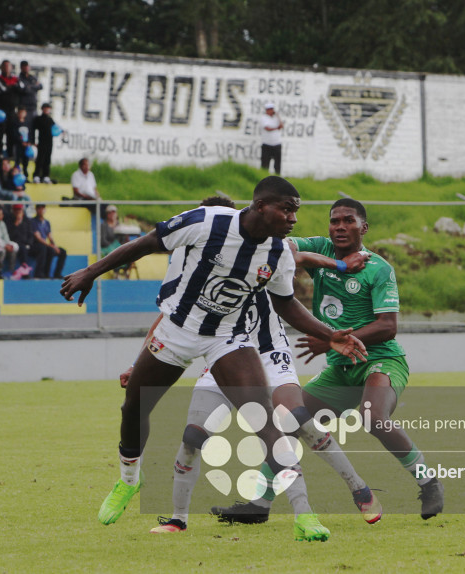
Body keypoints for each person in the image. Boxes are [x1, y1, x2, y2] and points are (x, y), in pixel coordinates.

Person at [59, 176, 368, 542]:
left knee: (266, 423)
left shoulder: (278, 253)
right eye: (286, 209)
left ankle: (305, 515)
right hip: (177, 331)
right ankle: (129, 480)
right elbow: (146, 243)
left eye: (295, 212)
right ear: (260, 207)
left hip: (227, 337)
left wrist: (327, 333)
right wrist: (91, 272)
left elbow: (285, 303)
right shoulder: (208, 222)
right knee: (134, 409)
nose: (293, 219)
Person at [142, 196, 380, 534]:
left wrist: (338, 267)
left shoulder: (262, 246)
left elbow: (295, 255)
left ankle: (353, 489)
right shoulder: (203, 259)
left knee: (295, 420)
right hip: (222, 351)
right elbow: (173, 313)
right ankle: (178, 519)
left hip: (268, 351)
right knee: (193, 436)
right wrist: (143, 353)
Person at [281, 198, 444, 520]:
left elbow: (388, 326)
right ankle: (258, 502)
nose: (340, 227)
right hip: (341, 368)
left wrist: (330, 338)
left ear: (363, 227)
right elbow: (282, 249)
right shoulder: (321, 249)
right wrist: (336, 265)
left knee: (373, 417)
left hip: (379, 360)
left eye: (348, 221)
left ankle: (428, 483)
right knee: (286, 424)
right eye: (334, 221)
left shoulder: (379, 268)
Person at [0, 61, 24, 157]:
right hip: (1, 110)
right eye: (5, 66)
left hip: (12, 111)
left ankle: (10, 155)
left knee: (11, 134)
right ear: (2, 68)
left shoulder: (16, 79)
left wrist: (11, 87)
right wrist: (12, 87)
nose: (6, 68)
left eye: (8, 66)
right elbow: (3, 90)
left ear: (11, 68)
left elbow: (21, 88)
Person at [31, 204, 67, 279]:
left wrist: (55, 246)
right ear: (36, 210)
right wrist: (50, 246)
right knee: (48, 250)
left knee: (62, 251)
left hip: (45, 245)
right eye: (39, 208)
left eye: (42, 208)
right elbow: (38, 237)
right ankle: (43, 273)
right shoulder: (33, 221)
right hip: (37, 244)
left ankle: (57, 273)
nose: (41, 210)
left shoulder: (47, 222)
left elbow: (50, 236)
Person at [6, 203, 34, 279]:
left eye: (19, 210)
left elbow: (31, 234)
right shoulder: (9, 221)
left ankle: (39, 273)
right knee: (21, 248)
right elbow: (9, 236)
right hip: (15, 243)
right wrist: (16, 223)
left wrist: (29, 243)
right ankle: (24, 268)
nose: (18, 212)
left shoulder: (27, 220)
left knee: (42, 249)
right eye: (16, 210)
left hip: (26, 244)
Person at [30, 103, 55, 183]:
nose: (47, 110)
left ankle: (45, 175)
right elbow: (33, 130)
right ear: (42, 109)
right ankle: (36, 175)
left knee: (47, 159)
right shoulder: (38, 119)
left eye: (48, 109)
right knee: (40, 158)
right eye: (45, 108)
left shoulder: (50, 119)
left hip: (49, 142)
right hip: (42, 142)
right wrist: (33, 141)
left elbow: (55, 129)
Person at [260, 102, 283, 175]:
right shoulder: (263, 118)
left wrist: (278, 116)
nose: (271, 111)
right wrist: (276, 128)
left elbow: (281, 126)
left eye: (272, 109)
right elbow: (267, 128)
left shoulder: (276, 118)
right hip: (267, 144)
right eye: (269, 109)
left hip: (276, 144)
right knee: (265, 164)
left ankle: (277, 177)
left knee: (277, 165)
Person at [18, 61, 43, 127]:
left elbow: (40, 86)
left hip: (33, 107)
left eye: (27, 66)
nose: (26, 68)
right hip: (24, 108)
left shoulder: (32, 77)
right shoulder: (19, 78)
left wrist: (30, 86)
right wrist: (33, 86)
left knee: (33, 127)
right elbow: (24, 89)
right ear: (21, 68)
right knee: (24, 127)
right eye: (24, 66)